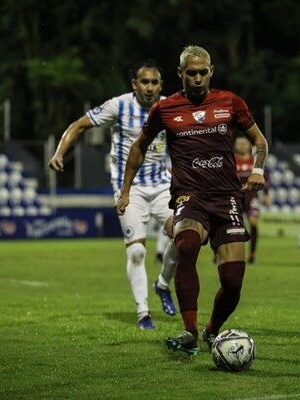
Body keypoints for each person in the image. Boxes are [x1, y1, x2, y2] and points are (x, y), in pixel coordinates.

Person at [116, 45, 268, 355]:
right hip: (190, 196)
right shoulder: (165, 109)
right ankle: (189, 331)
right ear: (180, 74)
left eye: (202, 73)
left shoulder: (230, 102)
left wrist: (259, 169)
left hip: (227, 197)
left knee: (233, 280)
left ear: (211, 72)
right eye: (191, 73)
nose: (197, 78)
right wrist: (126, 189)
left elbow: (259, 141)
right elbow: (138, 147)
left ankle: (212, 329)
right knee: (185, 244)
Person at [48, 59, 177, 330]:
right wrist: (60, 151)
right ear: (134, 84)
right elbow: (80, 125)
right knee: (138, 252)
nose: (150, 87)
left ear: (161, 85)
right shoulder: (118, 106)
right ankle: (143, 312)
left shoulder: (169, 106)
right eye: (145, 82)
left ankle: (163, 283)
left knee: (184, 235)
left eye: (154, 82)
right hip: (129, 189)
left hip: (162, 185)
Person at [234, 136, 270, 263]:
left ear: (249, 146)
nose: (242, 146)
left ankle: (252, 254)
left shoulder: (255, 161)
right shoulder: (232, 160)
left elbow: (264, 177)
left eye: (244, 143)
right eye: (239, 143)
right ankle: (223, 253)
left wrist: (266, 194)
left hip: (251, 196)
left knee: (253, 223)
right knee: (232, 227)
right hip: (236, 196)